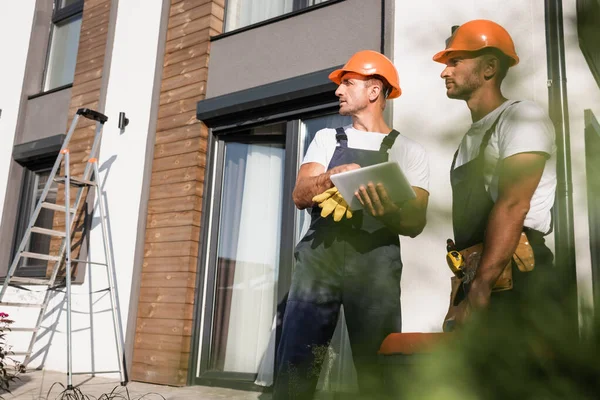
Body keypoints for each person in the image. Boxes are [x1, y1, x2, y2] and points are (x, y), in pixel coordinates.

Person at [273, 50, 429, 399]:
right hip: (318, 264)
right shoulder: (327, 139)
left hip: (376, 267)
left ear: (374, 91)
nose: (338, 91)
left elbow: (416, 220)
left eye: (348, 83)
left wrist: (385, 207)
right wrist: (331, 177)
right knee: (299, 363)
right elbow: (300, 194)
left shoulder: (408, 151)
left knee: (380, 368)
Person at [433, 20, 557, 324]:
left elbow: (514, 203)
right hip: (479, 274)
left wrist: (482, 284)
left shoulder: (521, 117)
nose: (444, 71)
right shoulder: (468, 140)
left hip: (517, 276)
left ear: (489, 68)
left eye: (455, 61)